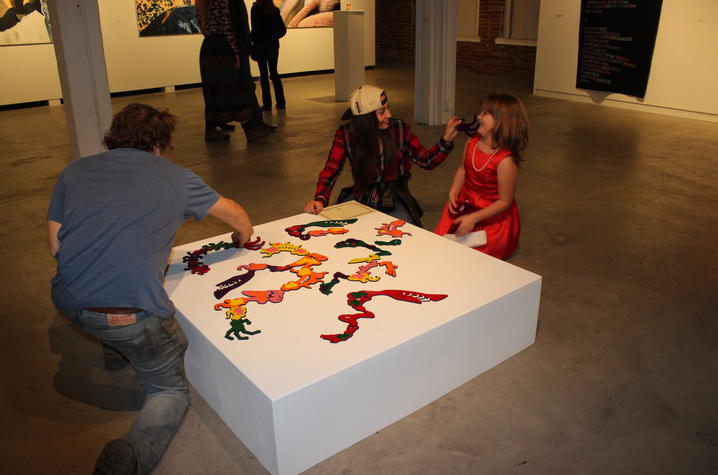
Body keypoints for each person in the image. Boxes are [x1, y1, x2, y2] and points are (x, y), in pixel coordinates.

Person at [46, 103, 254, 475]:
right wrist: (243, 236)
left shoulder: (75, 170)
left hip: (68, 300)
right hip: (130, 315)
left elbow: (56, 247)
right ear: (161, 143)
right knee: (169, 389)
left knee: (111, 321)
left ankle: (115, 350)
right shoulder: (177, 178)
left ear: (114, 136)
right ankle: (135, 453)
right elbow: (235, 213)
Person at [304, 84, 461, 227]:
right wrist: (320, 199)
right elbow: (331, 169)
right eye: (382, 111)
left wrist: (446, 140)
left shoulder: (399, 129)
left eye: (388, 108)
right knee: (340, 235)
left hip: (395, 199)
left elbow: (427, 161)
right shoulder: (345, 134)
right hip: (361, 199)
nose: (389, 114)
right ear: (366, 118)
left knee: (406, 238)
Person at [434, 93, 529, 259]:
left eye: (485, 113)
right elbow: (462, 169)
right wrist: (453, 190)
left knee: (473, 256)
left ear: (501, 122)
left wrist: (474, 218)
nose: (478, 116)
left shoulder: (505, 161)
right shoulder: (471, 143)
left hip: (491, 217)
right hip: (465, 205)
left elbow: (504, 202)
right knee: (442, 242)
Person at [196, 0, 276, 142]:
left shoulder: (202, 2)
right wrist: (237, 52)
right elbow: (228, 26)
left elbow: (202, 22)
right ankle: (251, 129)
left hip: (209, 46)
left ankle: (212, 129)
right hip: (224, 47)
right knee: (236, 90)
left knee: (215, 90)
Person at [250, 0, 287, 111]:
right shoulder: (274, 10)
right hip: (273, 46)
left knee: (264, 75)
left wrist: (250, 40)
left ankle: (267, 104)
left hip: (260, 45)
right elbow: (282, 30)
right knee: (274, 73)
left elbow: (255, 29)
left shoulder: (256, 9)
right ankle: (281, 103)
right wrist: (272, 38)